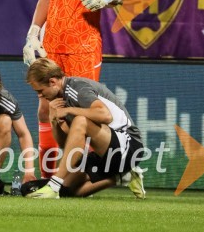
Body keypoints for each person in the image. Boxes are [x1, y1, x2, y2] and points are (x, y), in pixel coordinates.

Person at [22, 0, 141, 179]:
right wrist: (32, 32)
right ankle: (47, 174)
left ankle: (83, 176)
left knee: (83, 114)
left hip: (84, 46)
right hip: (51, 42)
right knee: (45, 107)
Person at [24, 59, 146, 199]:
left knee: (81, 121)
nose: (39, 95)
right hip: (105, 155)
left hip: (130, 146)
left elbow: (105, 116)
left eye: (40, 91)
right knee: (66, 192)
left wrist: (69, 110)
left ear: (52, 82)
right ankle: (123, 177)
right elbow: (68, 145)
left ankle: (54, 185)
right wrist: (54, 121)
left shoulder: (77, 88)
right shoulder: (59, 100)